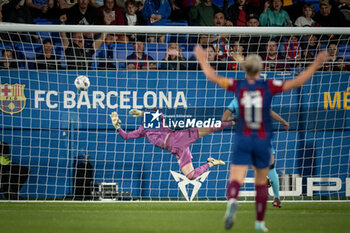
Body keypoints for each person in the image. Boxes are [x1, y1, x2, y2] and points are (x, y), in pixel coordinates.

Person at [194, 45, 328, 231]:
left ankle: (232, 200)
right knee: (261, 182)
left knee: (236, 177)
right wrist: (316, 63)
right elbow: (297, 81)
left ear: (244, 69)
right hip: (263, 140)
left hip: (243, 138)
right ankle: (259, 222)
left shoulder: (238, 86)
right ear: (262, 69)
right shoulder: (269, 86)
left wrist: (202, 58)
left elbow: (213, 77)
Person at [110, 110, 233, 180]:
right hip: (177, 150)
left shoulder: (157, 120)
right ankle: (211, 162)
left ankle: (233, 121)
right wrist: (117, 126)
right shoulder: (142, 130)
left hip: (180, 137)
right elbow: (125, 136)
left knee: (211, 128)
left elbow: (160, 114)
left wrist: (142, 113)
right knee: (191, 176)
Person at [221, 97, 290, 208]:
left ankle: (233, 197)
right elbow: (269, 112)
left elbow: (224, 118)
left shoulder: (236, 101)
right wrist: (283, 121)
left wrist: (236, 118)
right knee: (271, 167)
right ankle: (276, 197)